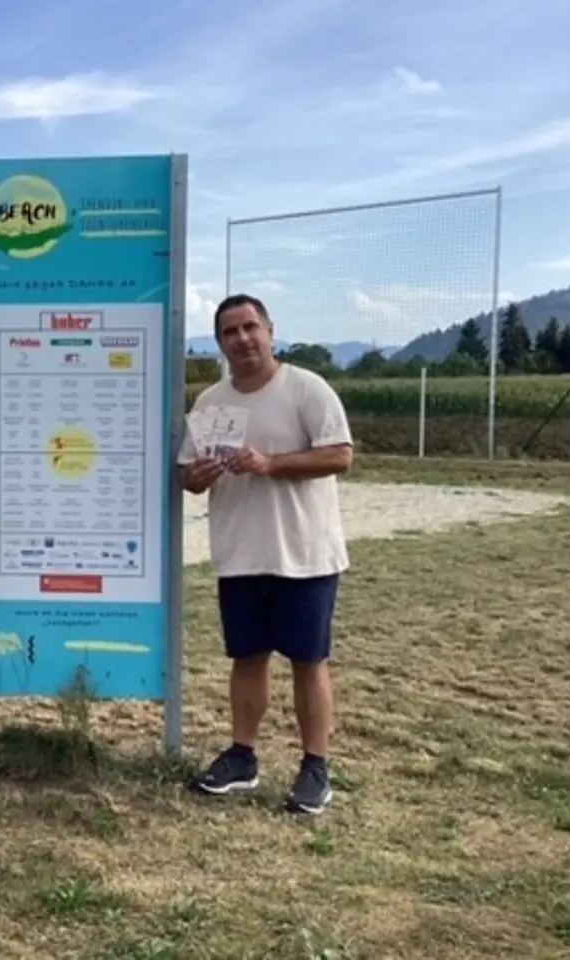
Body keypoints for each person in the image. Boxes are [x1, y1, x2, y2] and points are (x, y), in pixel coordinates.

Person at [175, 293, 354, 816]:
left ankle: (315, 766)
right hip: (240, 554)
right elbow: (188, 475)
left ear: (271, 331)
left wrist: (271, 463)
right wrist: (198, 476)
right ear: (220, 343)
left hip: (304, 553)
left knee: (308, 660)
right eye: (230, 332)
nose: (243, 339)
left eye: (250, 327)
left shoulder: (306, 389)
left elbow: (341, 455)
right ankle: (242, 755)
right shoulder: (210, 403)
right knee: (247, 658)